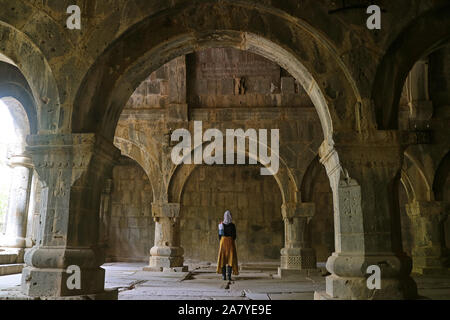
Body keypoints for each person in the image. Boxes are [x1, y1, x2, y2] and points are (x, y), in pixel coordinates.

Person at [216, 210, 239, 281]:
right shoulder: (232, 225)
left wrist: (222, 240)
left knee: (222, 259)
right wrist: (230, 239)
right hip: (230, 243)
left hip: (223, 243)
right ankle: (229, 276)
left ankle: (224, 276)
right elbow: (235, 236)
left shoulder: (221, 224)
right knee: (230, 259)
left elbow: (219, 236)